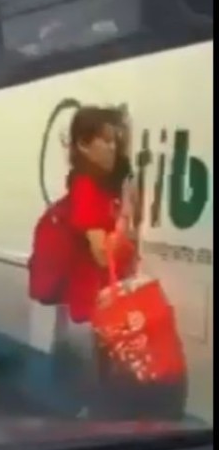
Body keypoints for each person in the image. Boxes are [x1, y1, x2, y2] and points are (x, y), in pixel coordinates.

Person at [55, 106, 182, 419]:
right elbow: (102, 253)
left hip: (108, 306)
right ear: (83, 145)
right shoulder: (85, 187)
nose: (113, 148)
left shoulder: (106, 184)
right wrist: (125, 215)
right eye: (106, 141)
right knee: (100, 398)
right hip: (92, 308)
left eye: (116, 141)